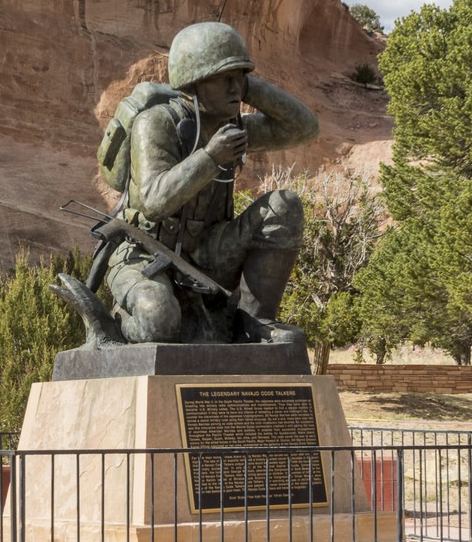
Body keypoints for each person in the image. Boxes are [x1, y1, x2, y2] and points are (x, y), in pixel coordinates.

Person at [104, 21, 318, 343]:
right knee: (157, 320)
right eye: (225, 79)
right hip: (145, 253)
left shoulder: (233, 125)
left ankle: (252, 324)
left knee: (283, 207)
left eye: (240, 78)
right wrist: (210, 157)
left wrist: (248, 87)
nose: (236, 89)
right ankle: (118, 323)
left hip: (207, 253)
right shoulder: (158, 123)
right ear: (195, 82)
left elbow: (304, 128)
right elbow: (154, 201)